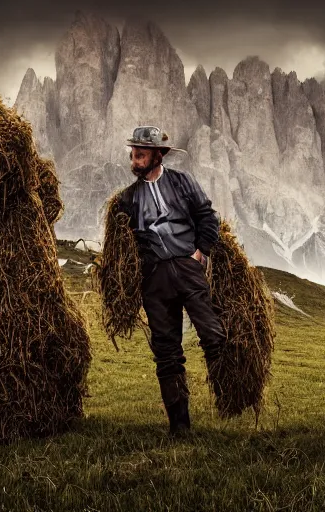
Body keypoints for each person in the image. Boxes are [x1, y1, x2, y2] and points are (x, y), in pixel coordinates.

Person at [115, 125, 226, 436]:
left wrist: (200, 252)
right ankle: (179, 425)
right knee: (166, 350)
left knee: (212, 335)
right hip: (155, 279)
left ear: (157, 155)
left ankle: (230, 394)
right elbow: (125, 242)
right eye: (133, 154)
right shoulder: (128, 198)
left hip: (187, 267)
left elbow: (206, 215)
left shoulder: (181, 181)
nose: (134, 160)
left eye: (141, 154)